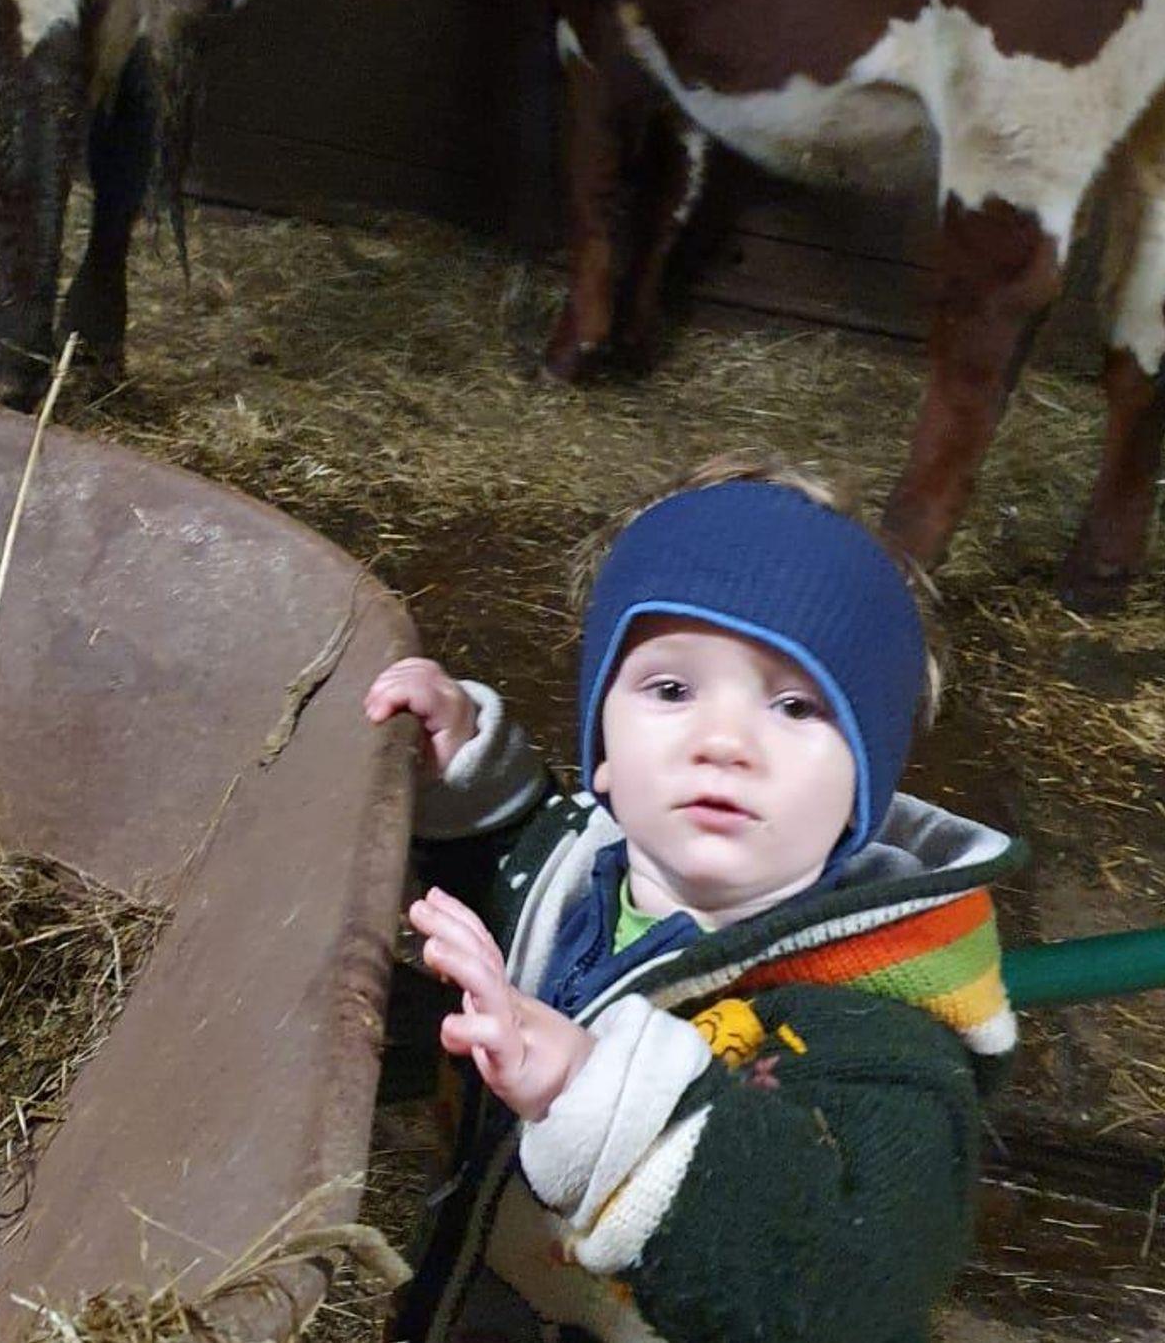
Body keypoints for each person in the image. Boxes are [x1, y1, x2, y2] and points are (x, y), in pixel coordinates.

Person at [363, 456, 1025, 1343]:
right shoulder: (580, 869)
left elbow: (847, 1294)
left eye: (796, 707)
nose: (724, 740)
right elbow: (516, 898)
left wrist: (602, 1099)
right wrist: (466, 782)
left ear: (864, 788)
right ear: (604, 749)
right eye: (671, 690)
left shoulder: (879, 1041)